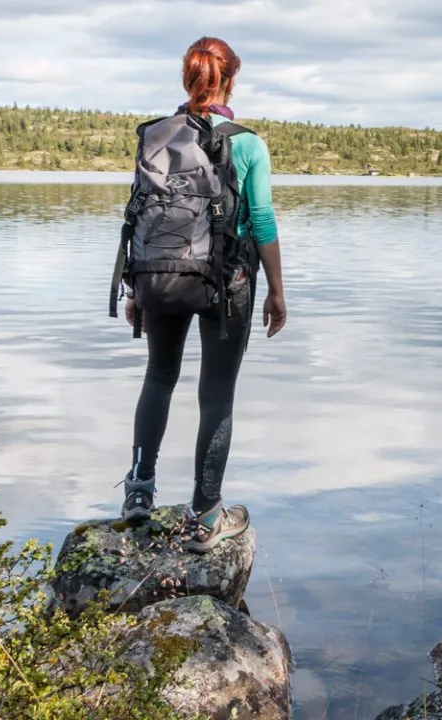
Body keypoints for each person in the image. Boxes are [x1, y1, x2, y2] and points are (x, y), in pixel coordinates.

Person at [118, 37, 287, 552]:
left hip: (159, 275)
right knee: (216, 395)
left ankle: (139, 496)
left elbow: (139, 215)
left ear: (186, 79)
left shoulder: (154, 137)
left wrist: (136, 288)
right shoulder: (248, 143)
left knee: (159, 377)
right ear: (229, 80)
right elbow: (260, 219)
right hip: (227, 283)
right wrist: (277, 292)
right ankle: (205, 516)